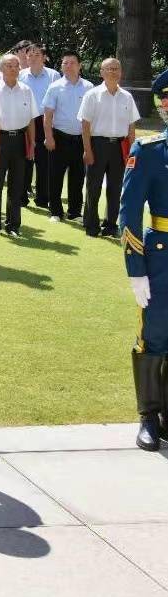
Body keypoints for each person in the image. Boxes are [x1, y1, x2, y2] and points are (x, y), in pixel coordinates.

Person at [120, 67, 168, 451]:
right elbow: (129, 213)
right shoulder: (150, 151)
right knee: (155, 335)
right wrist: (136, 271)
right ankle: (149, 415)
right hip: (161, 256)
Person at [79, 57, 140, 238]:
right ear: (101, 73)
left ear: (121, 72)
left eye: (116, 69)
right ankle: (91, 225)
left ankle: (111, 225)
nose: (113, 72)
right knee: (93, 187)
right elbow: (85, 125)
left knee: (115, 188)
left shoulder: (127, 97)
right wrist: (87, 150)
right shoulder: (92, 95)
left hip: (119, 146)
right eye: (109, 69)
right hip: (97, 145)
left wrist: (131, 150)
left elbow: (131, 126)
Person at [0, 52, 36, 238]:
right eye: (9, 65)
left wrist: (32, 143)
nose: (13, 69)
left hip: (19, 141)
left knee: (17, 185)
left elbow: (31, 119)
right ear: (0, 69)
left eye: (16, 65)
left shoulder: (26, 90)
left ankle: (13, 225)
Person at [42, 53, 94, 223]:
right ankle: (55, 211)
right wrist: (48, 137)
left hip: (81, 139)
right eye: (65, 63)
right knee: (55, 176)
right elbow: (48, 115)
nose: (69, 66)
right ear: (61, 66)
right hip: (59, 137)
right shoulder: (55, 87)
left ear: (80, 66)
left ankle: (75, 212)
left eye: (72, 63)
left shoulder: (88, 87)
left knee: (78, 176)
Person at [20, 43, 60, 207]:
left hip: (45, 120)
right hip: (24, 120)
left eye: (38, 55)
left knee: (44, 161)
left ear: (44, 58)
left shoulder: (53, 76)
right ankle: (21, 196)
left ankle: (43, 197)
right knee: (24, 159)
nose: (34, 58)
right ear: (26, 57)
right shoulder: (20, 74)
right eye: (31, 54)